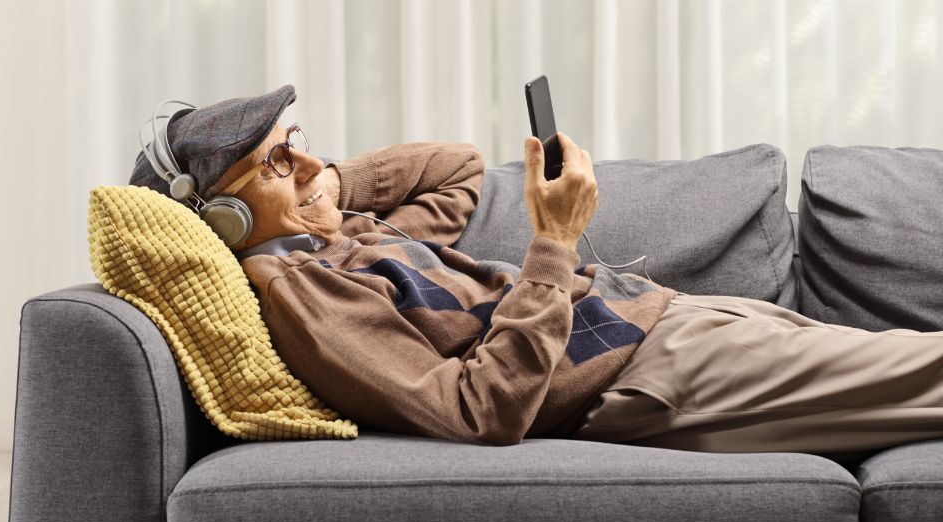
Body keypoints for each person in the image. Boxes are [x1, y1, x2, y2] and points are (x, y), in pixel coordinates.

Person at [131, 85, 943, 453]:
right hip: (657, 368)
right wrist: (552, 244)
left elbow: (452, 169)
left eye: (296, 142)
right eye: (277, 163)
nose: (308, 167)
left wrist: (327, 183)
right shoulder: (306, 296)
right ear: (223, 220)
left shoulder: (344, 237)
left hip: (667, 321)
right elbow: (475, 413)